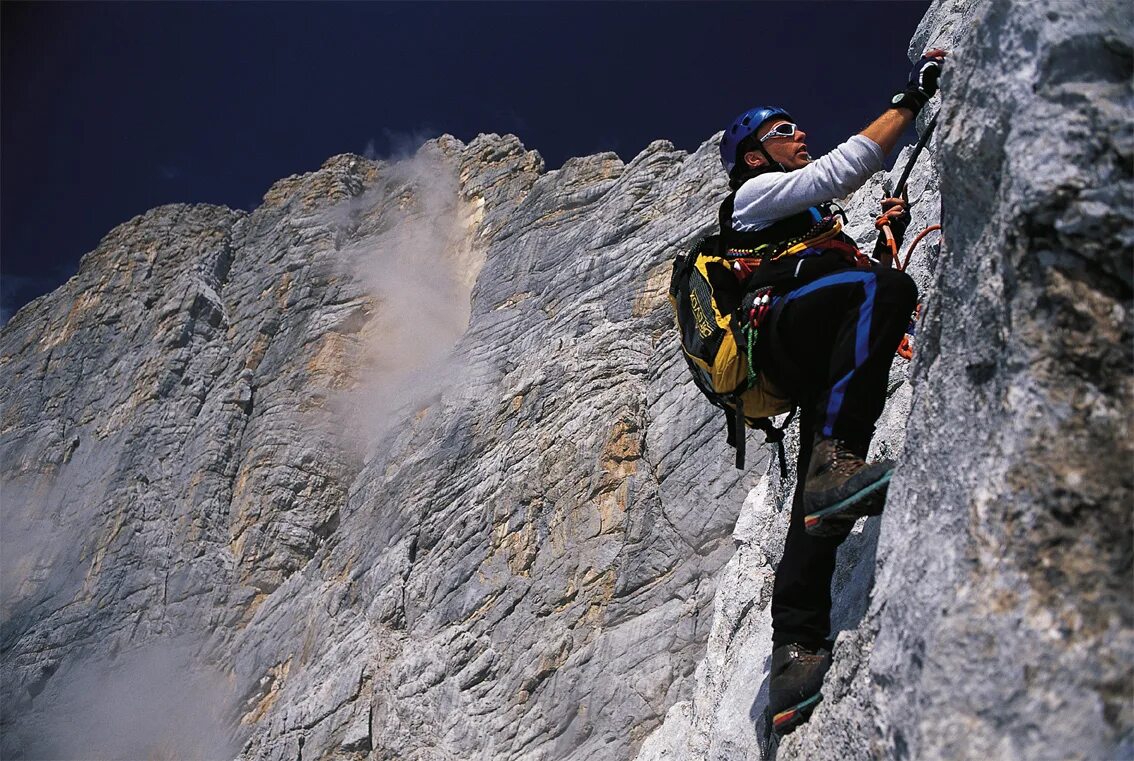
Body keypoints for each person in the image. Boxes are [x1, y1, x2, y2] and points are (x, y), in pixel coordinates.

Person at [715, 50, 947, 734]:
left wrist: (889, 235)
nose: (799, 134)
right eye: (783, 131)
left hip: (804, 347)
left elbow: (850, 295)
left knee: (817, 509)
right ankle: (834, 464)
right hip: (781, 329)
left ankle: (794, 657)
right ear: (754, 157)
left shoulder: (807, 221)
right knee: (891, 291)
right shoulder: (752, 197)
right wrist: (909, 102)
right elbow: (845, 166)